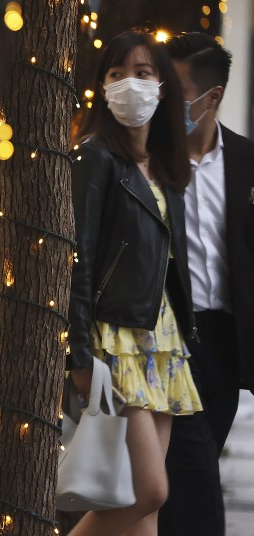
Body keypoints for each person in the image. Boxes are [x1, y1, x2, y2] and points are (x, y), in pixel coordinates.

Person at [66, 29, 201, 536]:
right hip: (116, 338)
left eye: (143, 73)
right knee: (150, 491)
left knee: (147, 512)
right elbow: (79, 259)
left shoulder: (164, 166)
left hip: (161, 339)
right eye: (117, 73)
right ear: (102, 87)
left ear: (162, 86)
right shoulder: (95, 156)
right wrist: (80, 355)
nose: (130, 83)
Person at [158, 32, 254, 536]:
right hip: (168, 341)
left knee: (185, 477)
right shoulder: (147, 160)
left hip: (225, 345)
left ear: (212, 97)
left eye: (176, 91)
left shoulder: (246, 160)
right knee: (195, 482)